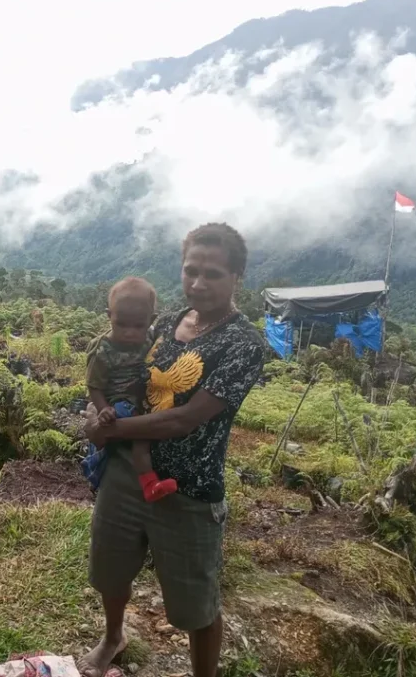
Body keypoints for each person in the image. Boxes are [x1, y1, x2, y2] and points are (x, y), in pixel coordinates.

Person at [78, 223, 265, 677]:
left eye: (214, 274)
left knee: (194, 604)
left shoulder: (244, 345)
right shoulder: (163, 323)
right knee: (111, 569)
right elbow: (127, 380)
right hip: (126, 473)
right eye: (191, 270)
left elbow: (186, 419)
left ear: (237, 276)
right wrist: (98, 412)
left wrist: (112, 429)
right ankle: (113, 636)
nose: (199, 282)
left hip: (188, 488)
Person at [84, 277, 176, 501]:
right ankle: (93, 470)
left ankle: (149, 485)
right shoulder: (103, 350)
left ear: (150, 321)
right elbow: (94, 385)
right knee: (129, 434)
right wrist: (103, 408)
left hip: (143, 401)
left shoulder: (150, 338)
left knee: (143, 440)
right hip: (118, 403)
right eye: (121, 324)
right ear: (109, 316)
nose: (129, 333)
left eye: (138, 326)